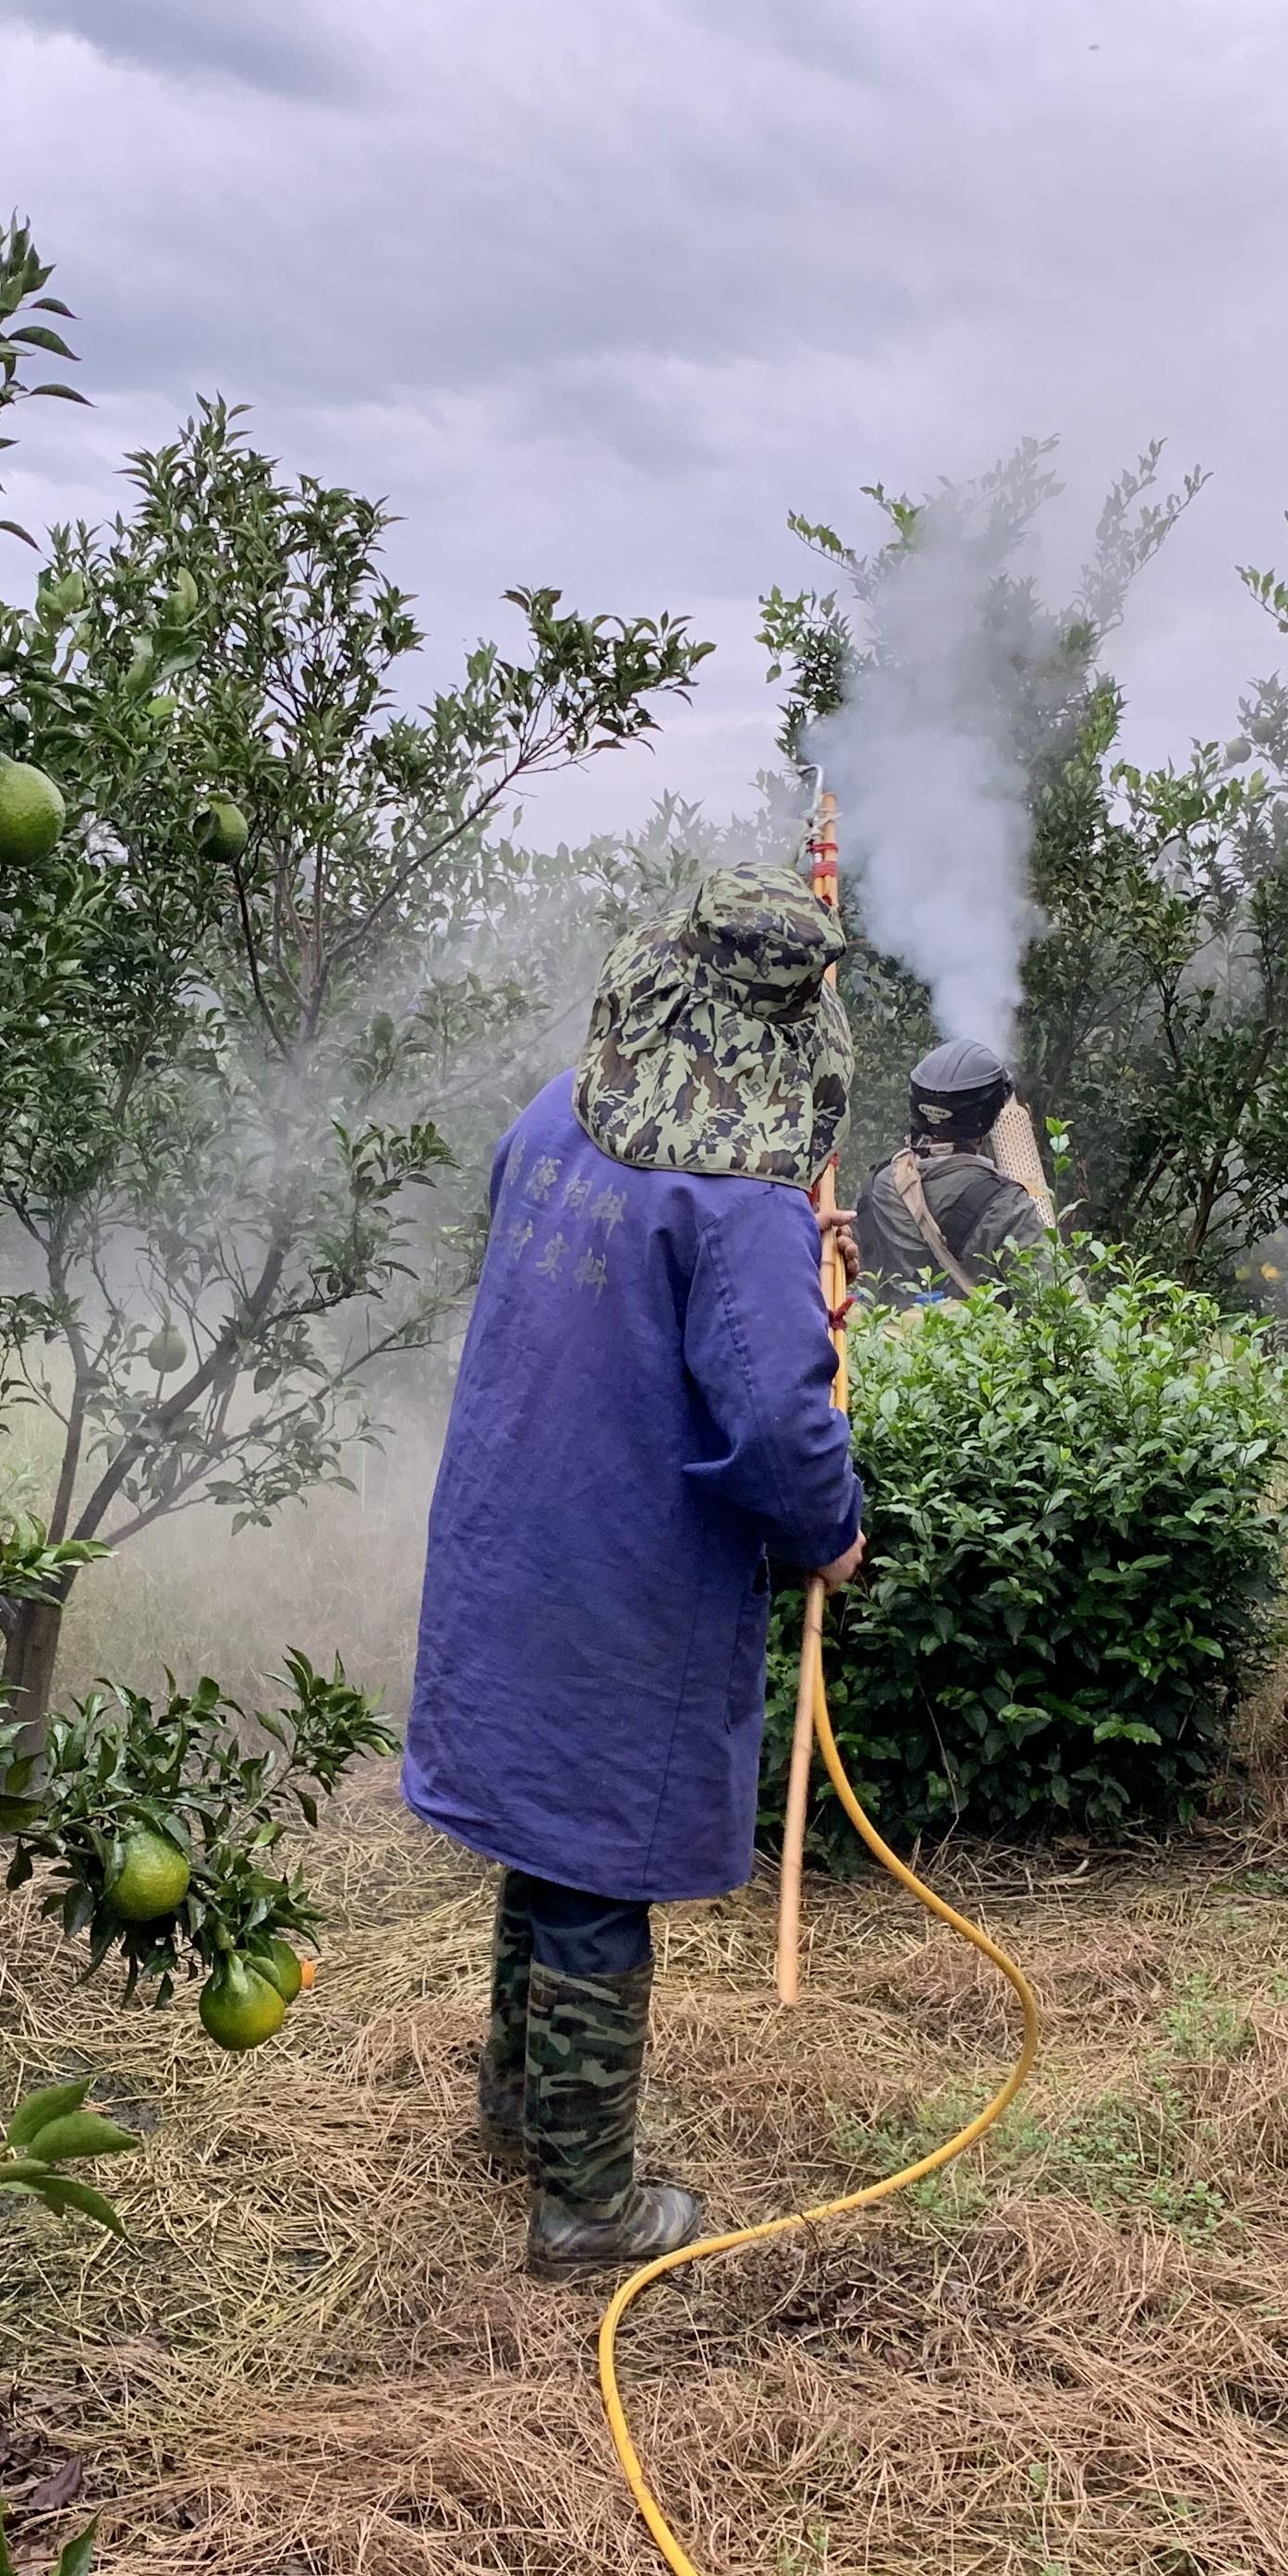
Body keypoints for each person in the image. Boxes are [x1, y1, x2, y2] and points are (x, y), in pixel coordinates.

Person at [400, 863, 869, 2280]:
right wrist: (831, 1533)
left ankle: (516, 2107)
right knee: (598, 1865)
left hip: (510, 1534)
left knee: (546, 1838)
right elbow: (782, 1423)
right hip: (620, 1573)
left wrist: (790, 1263)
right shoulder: (743, 1207)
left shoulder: (558, 1113)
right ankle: (586, 2201)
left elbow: (662, 1292)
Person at [848, 1036, 1051, 1304]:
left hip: (881, 1341)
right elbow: (1043, 1307)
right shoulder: (1007, 1204)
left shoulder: (878, 1182)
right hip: (970, 1345)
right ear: (987, 1113)